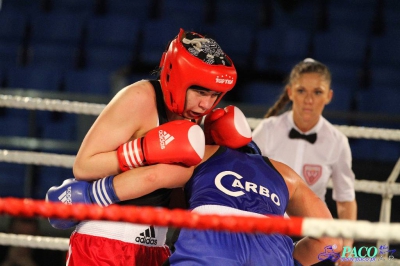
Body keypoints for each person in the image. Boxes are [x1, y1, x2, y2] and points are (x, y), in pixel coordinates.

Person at [48, 106, 342, 265]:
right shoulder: (285, 173)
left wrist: (89, 194)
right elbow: (331, 243)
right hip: (272, 248)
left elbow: (154, 177)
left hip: (211, 244)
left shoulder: (201, 153)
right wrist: (283, 259)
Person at [49, 28, 237, 266]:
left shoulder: (192, 118)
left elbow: (174, 199)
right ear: (178, 78)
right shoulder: (139, 98)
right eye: (200, 92)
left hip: (155, 246)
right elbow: (84, 166)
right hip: (104, 242)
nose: (206, 104)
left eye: (214, 95)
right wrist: (142, 151)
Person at [252, 58, 357, 265]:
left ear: (329, 96)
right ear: (290, 92)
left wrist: (348, 246)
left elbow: (345, 200)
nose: (309, 99)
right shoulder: (268, 130)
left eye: (317, 92)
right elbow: (246, 177)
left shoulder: (337, 142)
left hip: (316, 236)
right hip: (270, 231)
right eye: (301, 91)